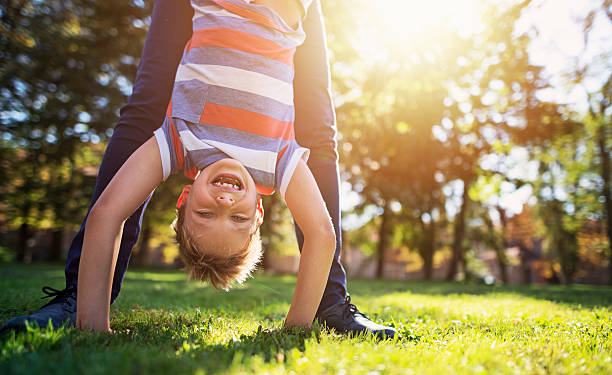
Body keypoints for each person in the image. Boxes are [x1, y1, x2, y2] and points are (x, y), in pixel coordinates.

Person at [1, 0, 397, 339]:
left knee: (142, 116)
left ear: (185, 196)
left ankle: (79, 302)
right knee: (321, 138)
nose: (225, 200)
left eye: (207, 212)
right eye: (237, 216)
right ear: (258, 211)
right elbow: (321, 234)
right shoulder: (276, 163)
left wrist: (93, 322)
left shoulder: (179, 142)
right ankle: (325, 307)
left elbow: (108, 215)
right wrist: (296, 328)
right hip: (282, 14)